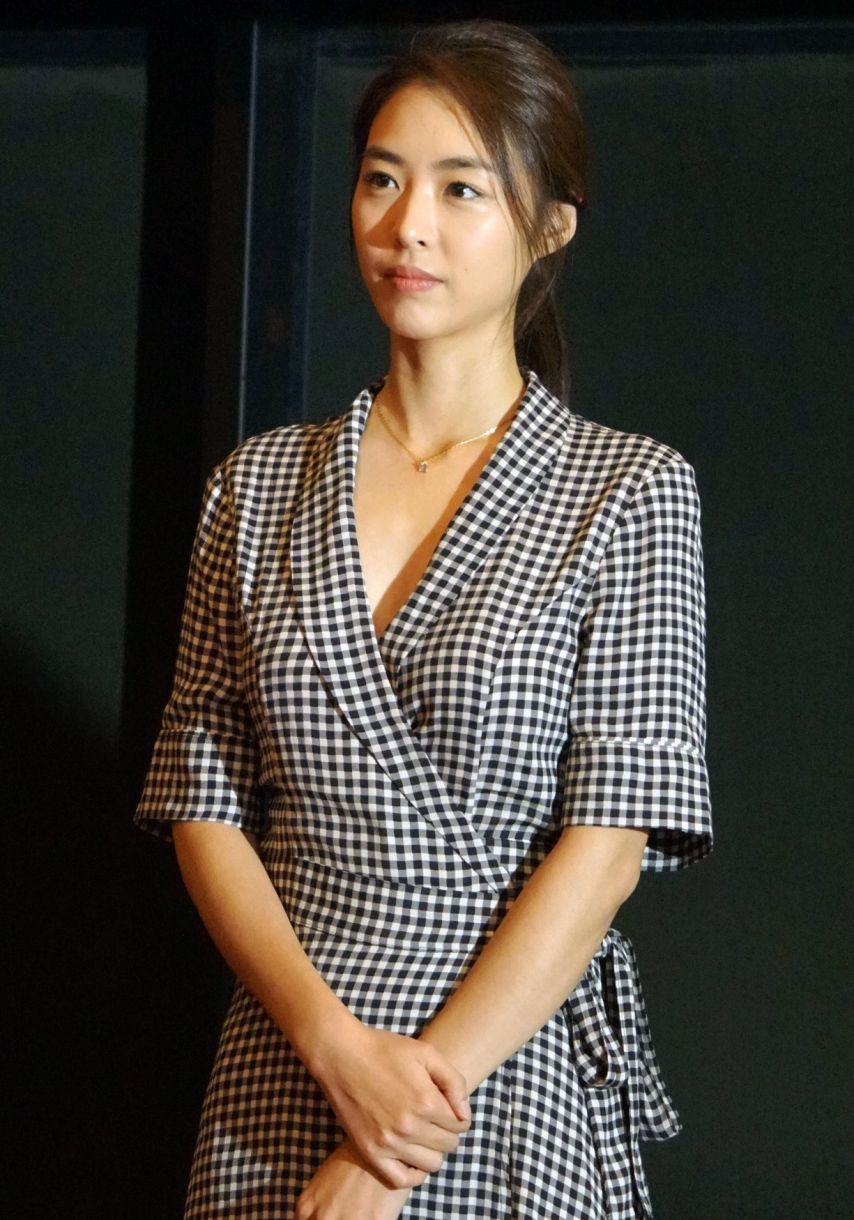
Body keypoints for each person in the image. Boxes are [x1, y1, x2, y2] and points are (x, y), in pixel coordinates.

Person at [134, 18, 714, 1220]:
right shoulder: (255, 488)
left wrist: (394, 1139)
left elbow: (606, 847)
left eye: (461, 188)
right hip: (287, 1056)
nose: (407, 226)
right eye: (381, 179)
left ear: (549, 226)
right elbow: (201, 798)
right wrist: (333, 1045)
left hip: (495, 1070)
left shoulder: (625, 488)